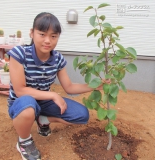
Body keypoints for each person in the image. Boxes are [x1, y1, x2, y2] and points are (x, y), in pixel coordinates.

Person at [7, 12, 110, 160]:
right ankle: (24, 141)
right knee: (28, 106)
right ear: (32, 33)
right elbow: (20, 90)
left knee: (82, 115)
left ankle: (43, 119)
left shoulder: (58, 59)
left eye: (53, 36)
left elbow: (69, 87)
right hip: (21, 102)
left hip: (43, 102)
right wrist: (53, 95)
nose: (47, 40)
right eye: (42, 34)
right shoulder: (19, 54)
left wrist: (96, 85)